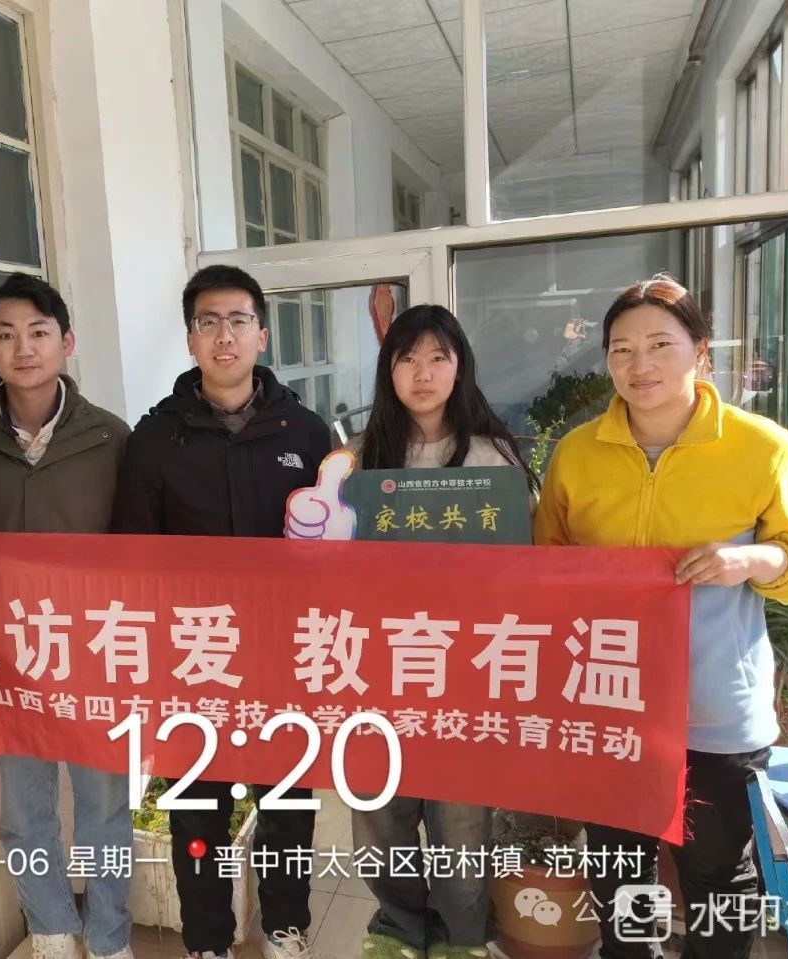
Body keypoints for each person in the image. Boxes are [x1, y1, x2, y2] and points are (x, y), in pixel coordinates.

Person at [533, 274, 788, 959]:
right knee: (619, 873)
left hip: (715, 711)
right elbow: (547, 560)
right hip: (610, 705)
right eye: (621, 349)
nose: (639, 365)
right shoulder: (576, 454)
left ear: (700, 351)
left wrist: (752, 559)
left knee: (718, 878)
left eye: (659, 345)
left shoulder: (759, 446)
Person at [112, 264, 332, 959]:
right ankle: (207, 940)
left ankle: (285, 926)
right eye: (208, 322)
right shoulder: (155, 439)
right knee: (196, 806)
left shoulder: (307, 432)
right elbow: (132, 556)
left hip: (284, 653)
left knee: (287, 801)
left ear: (262, 333)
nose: (224, 336)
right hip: (192, 655)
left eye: (238, 320)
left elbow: (337, 549)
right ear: (190, 339)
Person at [0, 273, 133, 959]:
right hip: (7, 660)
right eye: (6, 335)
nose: (24, 349)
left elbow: (140, 544)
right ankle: (50, 930)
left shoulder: (110, 437)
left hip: (97, 654)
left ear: (66, 341)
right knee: (23, 810)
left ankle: (109, 937)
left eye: (39, 332)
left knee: (104, 809)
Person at [345, 304, 535, 959]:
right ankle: (400, 924)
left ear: (460, 367)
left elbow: (521, 573)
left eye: (437, 358)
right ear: (388, 369)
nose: (422, 373)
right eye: (407, 358)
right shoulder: (357, 458)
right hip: (373, 668)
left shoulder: (492, 457)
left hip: (465, 672)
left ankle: (463, 935)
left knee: (461, 820)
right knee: (378, 810)